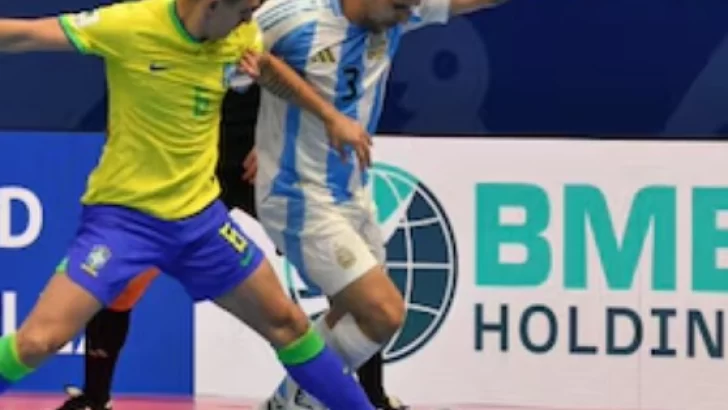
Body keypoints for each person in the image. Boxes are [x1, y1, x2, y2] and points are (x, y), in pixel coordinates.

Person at [0, 0, 378, 409]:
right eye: (244, 12)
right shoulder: (129, 25)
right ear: (212, 5)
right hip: (124, 223)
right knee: (39, 340)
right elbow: (25, 34)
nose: (249, 22)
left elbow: (269, 69)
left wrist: (328, 116)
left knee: (288, 323)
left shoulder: (238, 35)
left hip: (202, 225)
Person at [253, 0, 510, 408]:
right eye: (399, 8)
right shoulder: (293, 17)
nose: (407, 17)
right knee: (383, 312)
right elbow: (235, 56)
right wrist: (258, 138)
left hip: (353, 193)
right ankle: (295, 403)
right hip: (298, 195)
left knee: (351, 313)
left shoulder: (395, 13)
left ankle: (286, 401)